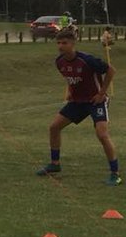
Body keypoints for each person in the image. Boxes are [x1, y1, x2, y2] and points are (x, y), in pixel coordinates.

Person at [36, 29, 121, 186]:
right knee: (54, 127)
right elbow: (70, 78)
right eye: (59, 43)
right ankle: (55, 164)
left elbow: (111, 70)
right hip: (77, 102)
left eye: (64, 43)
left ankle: (115, 173)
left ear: (73, 44)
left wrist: (102, 93)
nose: (61, 46)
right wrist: (70, 91)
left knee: (102, 135)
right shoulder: (59, 62)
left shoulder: (87, 60)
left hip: (95, 102)